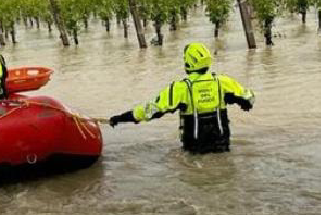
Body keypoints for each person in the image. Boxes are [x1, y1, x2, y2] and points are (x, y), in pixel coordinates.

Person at [108, 42, 255, 153]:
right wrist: (242, 103)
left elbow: (151, 111)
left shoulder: (180, 88)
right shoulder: (223, 82)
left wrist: (122, 118)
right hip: (222, 147)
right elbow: (249, 98)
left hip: (194, 150)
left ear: (188, 62)